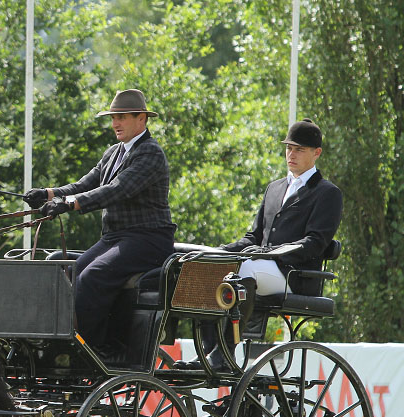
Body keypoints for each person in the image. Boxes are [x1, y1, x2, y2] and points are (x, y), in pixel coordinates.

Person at [174, 118, 343, 371]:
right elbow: (253, 237)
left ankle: (224, 353)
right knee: (211, 266)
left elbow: (314, 243)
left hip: (293, 276)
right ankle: (209, 351)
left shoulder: (327, 193)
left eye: (299, 149)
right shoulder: (274, 188)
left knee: (247, 269)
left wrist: (268, 254)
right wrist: (219, 251)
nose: (291, 154)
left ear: (316, 153)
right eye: (289, 148)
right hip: (262, 268)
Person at [23, 89, 175, 358]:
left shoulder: (150, 153)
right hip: (115, 238)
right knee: (70, 272)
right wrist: (48, 194)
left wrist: (69, 204)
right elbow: (85, 184)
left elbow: (116, 189)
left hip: (147, 239)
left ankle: (92, 350)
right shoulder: (112, 153)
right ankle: (56, 342)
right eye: (113, 117)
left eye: (122, 117)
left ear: (142, 119)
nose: (116, 123)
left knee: (94, 276)